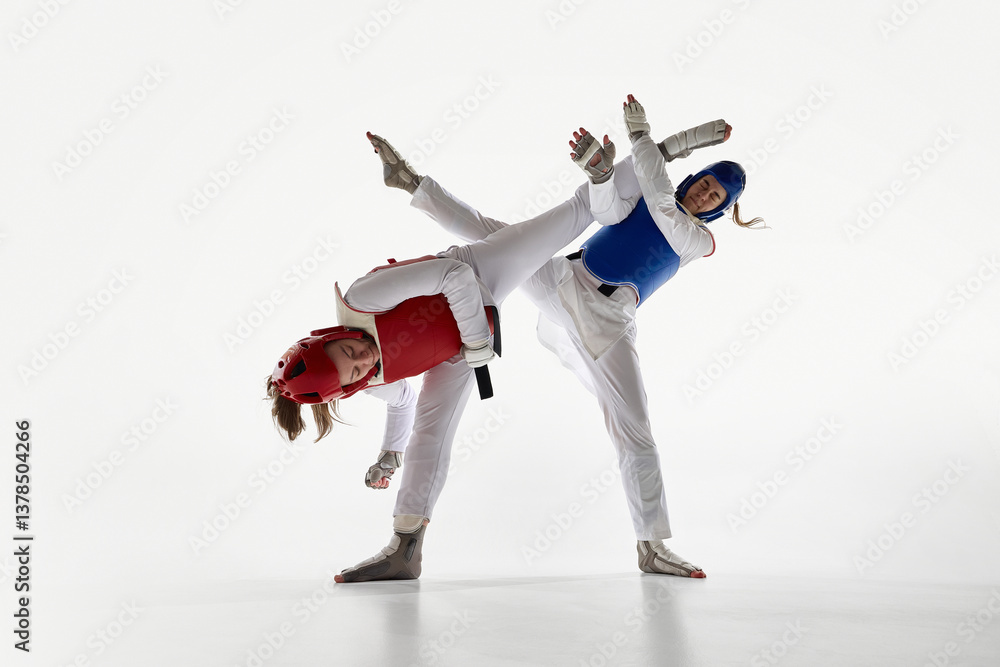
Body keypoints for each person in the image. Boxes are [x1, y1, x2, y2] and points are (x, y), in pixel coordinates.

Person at [365, 94, 764, 579]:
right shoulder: (649, 190)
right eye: (704, 185)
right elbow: (609, 211)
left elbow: (661, 201)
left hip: (605, 321)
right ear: (692, 179)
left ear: (722, 210)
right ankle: (411, 184)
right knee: (495, 235)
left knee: (634, 430)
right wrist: (600, 177)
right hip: (561, 281)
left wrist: (652, 138)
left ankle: (653, 546)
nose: (704, 195)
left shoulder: (699, 240)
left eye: (714, 197)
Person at [266, 134, 597, 582]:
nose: (364, 357)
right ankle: (405, 547)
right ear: (350, 387)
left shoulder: (365, 298)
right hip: (457, 353)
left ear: (327, 336)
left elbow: (453, 274)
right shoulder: (369, 380)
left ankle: (635, 166)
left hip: (480, 275)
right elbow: (402, 401)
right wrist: (389, 454)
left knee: (575, 214)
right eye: (357, 371)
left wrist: (479, 340)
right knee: (430, 433)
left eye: (349, 350)